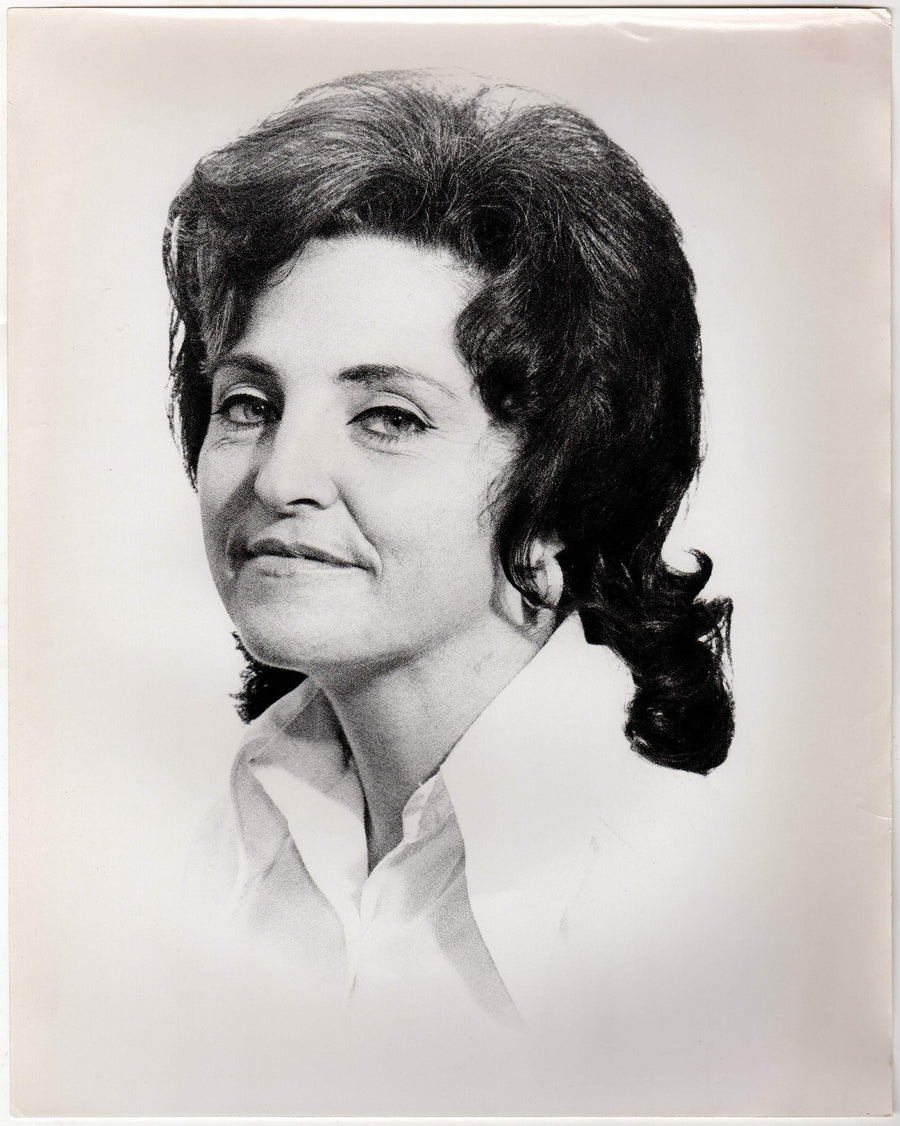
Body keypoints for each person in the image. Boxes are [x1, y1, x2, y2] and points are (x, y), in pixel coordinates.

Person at [164, 69, 733, 1036]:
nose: (278, 476)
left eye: (388, 417)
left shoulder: (676, 899)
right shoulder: (244, 826)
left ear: (562, 494)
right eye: (249, 404)